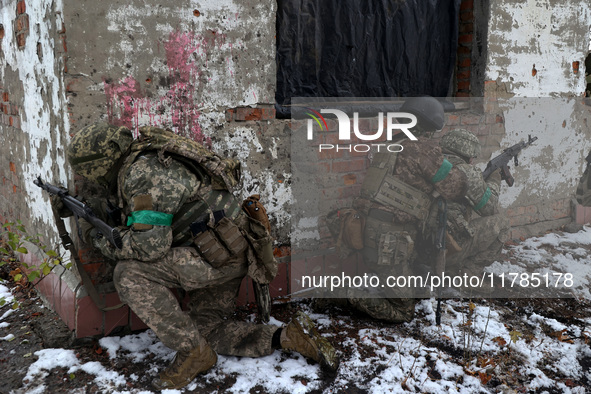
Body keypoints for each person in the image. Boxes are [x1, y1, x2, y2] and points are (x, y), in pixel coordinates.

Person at [59, 122, 339, 390]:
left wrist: (96, 239)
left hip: (215, 259)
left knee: (128, 274)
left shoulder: (143, 174)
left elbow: (150, 247)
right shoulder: (147, 158)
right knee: (208, 332)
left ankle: (193, 354)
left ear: (99, 166)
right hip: (228, 252)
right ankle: (290, 337)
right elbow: (137, 213)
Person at [319, 97, 472, 323]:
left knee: (418, 279)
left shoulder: (390, 144)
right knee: (403, 311)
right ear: (431, 126)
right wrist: (460, 169)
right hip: (388, 241)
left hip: (372, 232)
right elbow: (455, 187)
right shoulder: (421, 150)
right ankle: (340, 295)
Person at [435, 128, 509, 274]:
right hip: (444, 251)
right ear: (468, 154)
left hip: (419, 249)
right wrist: (494, 179)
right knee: (502, 223)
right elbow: (489, 208)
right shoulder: (466, 172)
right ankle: (469, 274)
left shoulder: (431, 163)